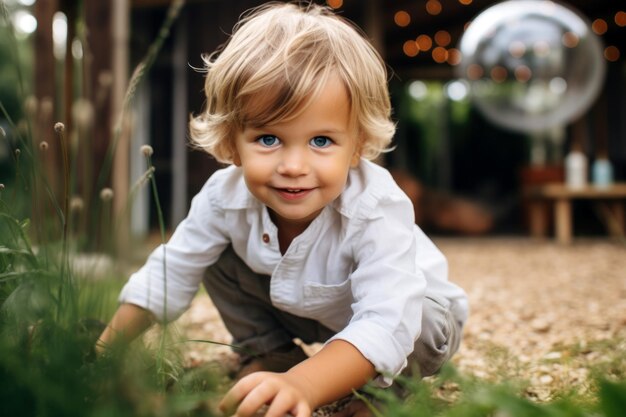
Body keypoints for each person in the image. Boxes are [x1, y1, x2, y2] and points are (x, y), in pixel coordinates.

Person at [96, 2, 468, 416]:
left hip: (414, 320)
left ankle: (381, 392)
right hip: (313, 314)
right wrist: (105, 349)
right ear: (232, 140)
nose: (293, 167)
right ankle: (273, 355)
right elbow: (173, 269)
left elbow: (388, 320)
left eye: (321, 141)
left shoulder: (375, 205)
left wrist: (306, 385)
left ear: (358, 145)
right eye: (269, 139)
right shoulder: (224, 197)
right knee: (213, 253)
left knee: (417, 322)